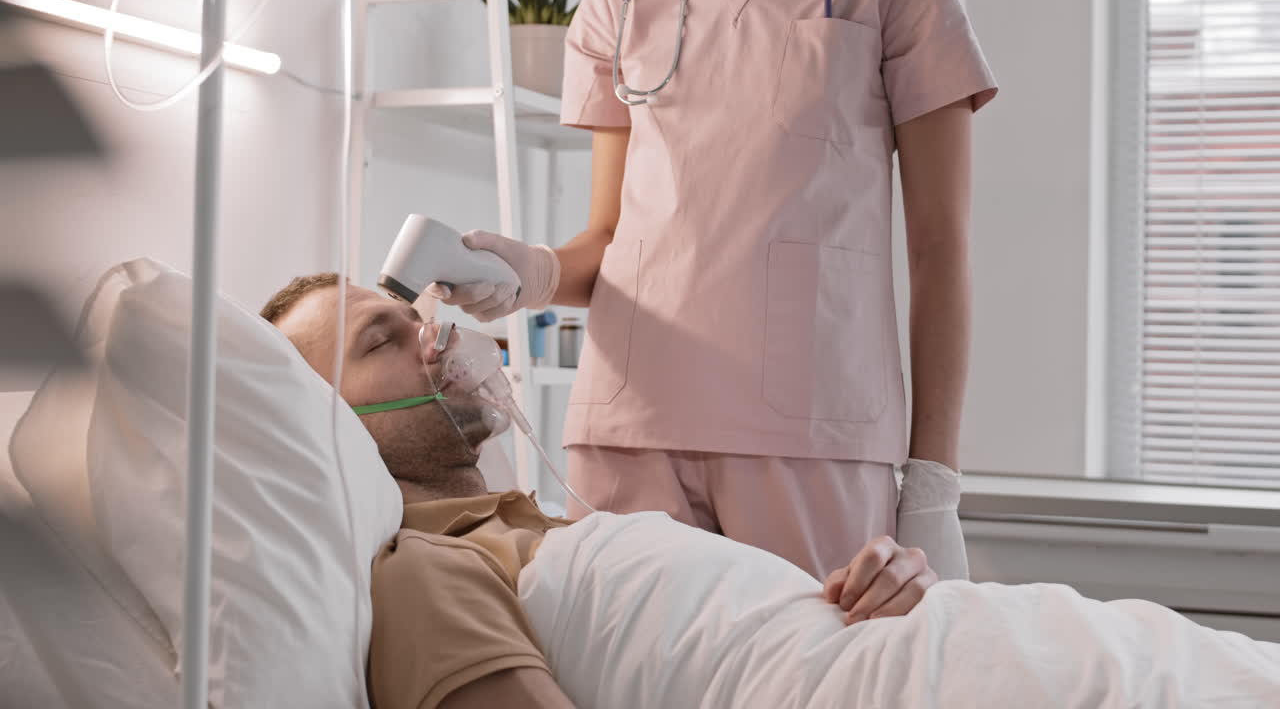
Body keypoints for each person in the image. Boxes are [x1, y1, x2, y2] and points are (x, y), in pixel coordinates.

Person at [262, 275, 1280, 709]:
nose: (431, 334)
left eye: (410, 314)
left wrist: (884, 581)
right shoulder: (419, 571)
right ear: (323, 429)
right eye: (379, 342)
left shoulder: (541, 525)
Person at [423, 0, 998, 580]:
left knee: (809, 667)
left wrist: (934, 480)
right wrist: (531, 272)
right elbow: (610, 235)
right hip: (629, 424)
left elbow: (938, 247)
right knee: (615, 669)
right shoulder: (617, 1)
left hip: (809, 430)